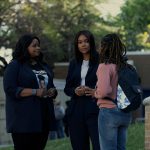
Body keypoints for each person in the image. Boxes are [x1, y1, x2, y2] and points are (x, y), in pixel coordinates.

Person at [3, 34, 57, 150]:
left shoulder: (43, 66)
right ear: (25, 47)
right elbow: (10, 89)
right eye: (34, 46)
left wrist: (53, 91)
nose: (38, 48)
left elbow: (51, 85)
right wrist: (34, 92)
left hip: (43, 118)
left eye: (39, 45)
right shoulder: (15, 66)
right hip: (24, 120)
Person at [94, 33, 132, 150]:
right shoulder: (125, 66)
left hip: (109, 111)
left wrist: (95, 93)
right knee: (121, 148)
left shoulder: (104, 66)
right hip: (125, 112)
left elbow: (105, 91)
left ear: (104, 47)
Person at [64, 30, 100, 150]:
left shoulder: (101, 61)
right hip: (76, 108)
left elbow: (109, 83)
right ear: (77, 45)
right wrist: (75, 90)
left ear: (91, 43)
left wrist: (96, 91)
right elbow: (67, 88)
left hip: (95, 107)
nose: (83, 45)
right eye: (80, 42)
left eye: (86, 41)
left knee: (98, 145)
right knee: (79, 146)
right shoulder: (74, 63)